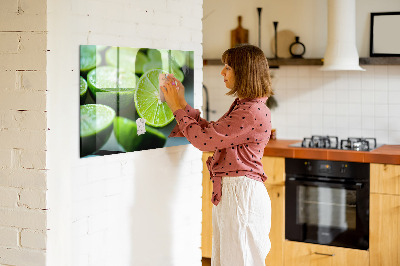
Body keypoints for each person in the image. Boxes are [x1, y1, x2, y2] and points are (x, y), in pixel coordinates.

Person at [160, 44, 273, 266]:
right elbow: (212, 133)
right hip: (235, 193)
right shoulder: (246, 106)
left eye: (228, 67)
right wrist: (182, 103)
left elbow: (204, 141)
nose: (222, 72)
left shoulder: (250, 111)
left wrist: (176, 107)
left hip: (241, 195)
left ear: (244, 71)